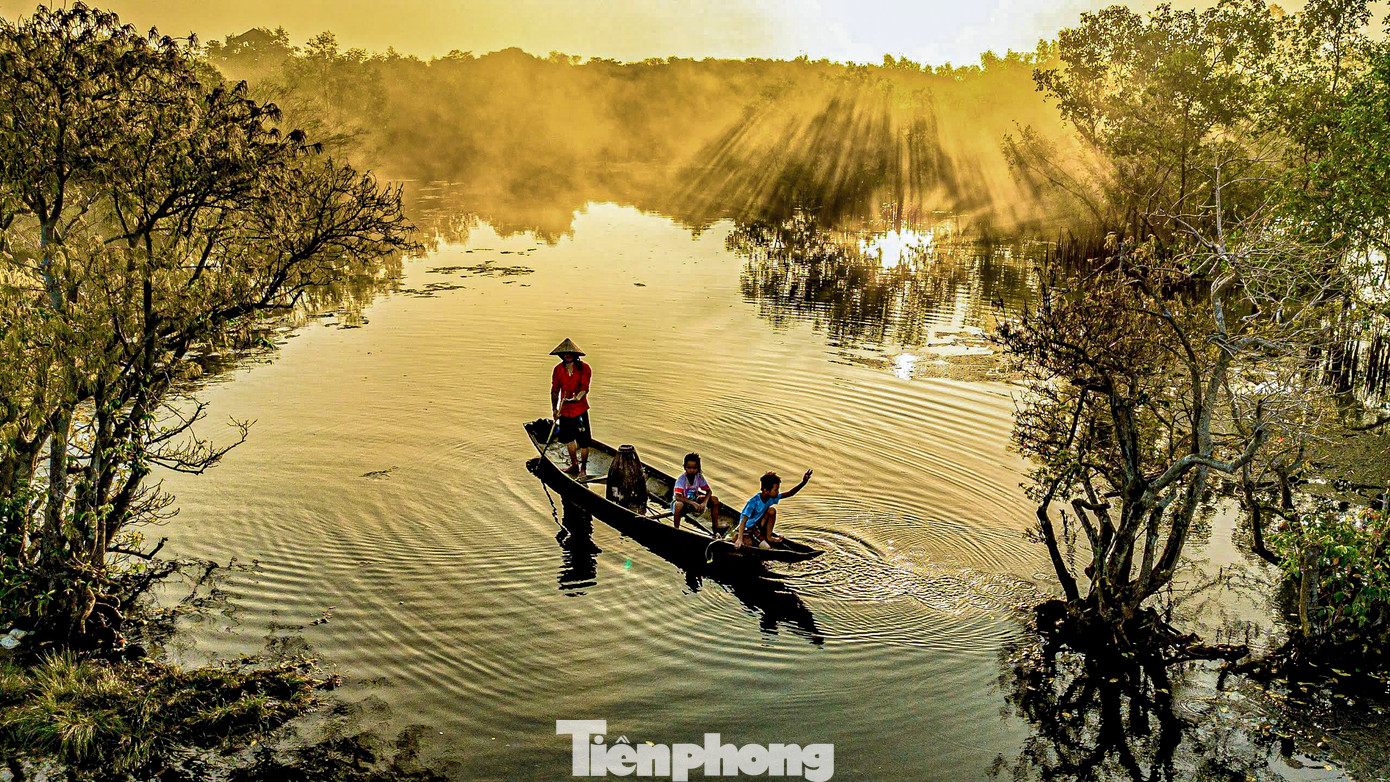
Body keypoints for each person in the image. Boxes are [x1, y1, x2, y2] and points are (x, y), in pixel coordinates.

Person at [733, 469, 813, 549]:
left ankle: (769, 536)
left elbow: (790, 493)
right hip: (746, 528)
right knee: (757, 546)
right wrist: (739, 540)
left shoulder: (771, 498)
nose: (778, 492)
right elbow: (743, 522)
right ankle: (739, 538)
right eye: (776, 490)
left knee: (772, 511)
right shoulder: (753, 502)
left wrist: (804, 482)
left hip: (755, 525)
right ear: (766, 491)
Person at [549, 338, 592, 478]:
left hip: (579, 410)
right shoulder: (558, 370)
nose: (567, 355)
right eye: (565, 353)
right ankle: (574, 464)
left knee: (584, 440)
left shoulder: (584, 368)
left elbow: (584, 388)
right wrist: (554, 409)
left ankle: (583, 469)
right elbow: (555, 390)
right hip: (565, 410)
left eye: (570, 353)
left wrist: (577, 398)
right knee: (568, 439)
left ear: (575, 354)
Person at [672, 453, 720, 530]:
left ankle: (715, 527)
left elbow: (709, 491)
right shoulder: (681, 479)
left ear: (698, 468)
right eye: (689, 468)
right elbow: (678, 497)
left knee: (715, 500)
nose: (691, 470)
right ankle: (676, 529)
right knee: (678, 505)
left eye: (694, 468)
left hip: (694, 500)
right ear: (685, 467)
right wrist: (692, 503)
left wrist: (704, 503)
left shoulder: (699, 477)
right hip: (683, 502)